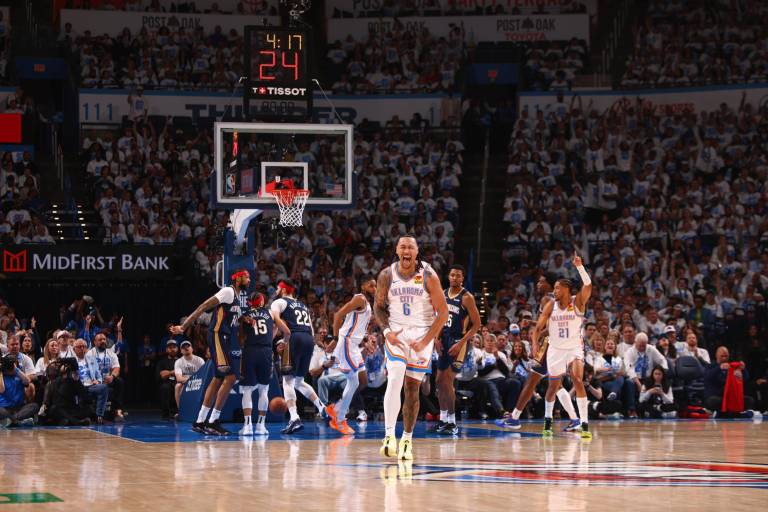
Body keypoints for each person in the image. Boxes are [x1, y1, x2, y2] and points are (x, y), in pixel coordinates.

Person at [375, 234, 449, 460]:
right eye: (403, 247)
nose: (406, 250)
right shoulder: (386, 275)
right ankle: (389, 436)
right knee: (395, 376)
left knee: (411, 389)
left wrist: (426, 341)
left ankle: (407, 439)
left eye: (411, 247)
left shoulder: (429, 276)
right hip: (397, 333)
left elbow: (443, 313)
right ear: (397, 251)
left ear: (417, 252)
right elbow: (378, 307)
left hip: (421, 334)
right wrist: (387, 332)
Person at [171, 269, 250, 435]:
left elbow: (235, 317)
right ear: (237, 278)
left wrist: (245, 319)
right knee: (230, 377)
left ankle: (200, 422)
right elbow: (203, 306)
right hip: (217, 335)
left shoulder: (236, 298)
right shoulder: (228, 291)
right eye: (246, 277)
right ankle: (213, 420)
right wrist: (184, 327)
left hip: (225, 338)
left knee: (217, 379)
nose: (249, 280)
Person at [497, 273, 580, 431]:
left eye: (542, 281)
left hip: (550, 346)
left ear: (550, 285)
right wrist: (534, 324)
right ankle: (574, 418)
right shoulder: (555, 300)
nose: (538, 284)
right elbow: (551, 325)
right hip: (559, 344)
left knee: (531, 381)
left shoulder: (548, 300)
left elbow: (549, 327)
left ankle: (514, 418)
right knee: (557, 384)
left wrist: (537, 340)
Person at [533, 253, 592, 438]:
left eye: (557, 288)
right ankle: (548, 421)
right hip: (555, 349)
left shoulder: (578, 302)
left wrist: (580, 266)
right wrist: (535, 345)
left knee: (577, 378)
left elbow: (588, 285)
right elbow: (537, 327)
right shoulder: (551, 305)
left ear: (566, 289)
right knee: (553, 387)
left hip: (574, 348)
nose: (554, 291)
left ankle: (584, 424)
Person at [270, 279, 326, 434]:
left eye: (277, 288)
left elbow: (275, 318)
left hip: (294, 338)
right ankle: (322, 408)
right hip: (309, 339)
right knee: (299, 381)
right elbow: (311, 330)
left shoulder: (279, 302)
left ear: (282, 289)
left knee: (287, 380)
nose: (276, 291)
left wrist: (285, 339)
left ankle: (294, 418)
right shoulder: (302, 305)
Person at [432, 264, 481, 435]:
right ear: (448, 276)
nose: (455, 278)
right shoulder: (443, 294)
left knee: (447, 382)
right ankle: (443, 419)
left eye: (458, 275)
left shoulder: (467, 297)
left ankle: (452, 422)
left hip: (458, 341)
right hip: (443, 338)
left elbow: (477, 324)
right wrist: (436, 338)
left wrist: (461, 343)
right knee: (439, 381)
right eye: (452, 275)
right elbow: (439, 318)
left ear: (462, 278)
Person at [325, 276, 377, 435]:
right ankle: (339, 419)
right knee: (354, 381)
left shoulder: (368, 305)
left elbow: (360, 328)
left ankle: (336, 408)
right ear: (363, 286)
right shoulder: (359, 299)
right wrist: (335, 338)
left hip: (353, 344)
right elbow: (338, 315)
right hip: (346, 342)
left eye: (376, 286)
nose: (374, 288)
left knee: (362, 381)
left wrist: (366, 340)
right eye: (371, 285)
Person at [237, 292, 289, 436]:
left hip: (250, 351)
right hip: (266, 351)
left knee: (247, 390)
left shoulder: (245, 314)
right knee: (263, 390)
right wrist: (269, 339)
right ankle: (260, 426)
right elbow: (278, 327)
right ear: (262, 301)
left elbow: (240, 336)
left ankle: (247, 427)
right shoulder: (271, 313)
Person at [87, 331, 125, 421]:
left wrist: (112, 376)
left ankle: (118, 411)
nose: (103, 341)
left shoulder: (111, 353)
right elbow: (87, 370)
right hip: (94, 381)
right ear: (95, 342)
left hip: (108, 379)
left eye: (104, 339)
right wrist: (94, 380)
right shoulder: (89, 353)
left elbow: (116, 367)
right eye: (100, 340)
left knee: (119, 381)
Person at [72, 338, 109, 423]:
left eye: (84, 347)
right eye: (79, 347)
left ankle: (99, 416)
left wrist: (98, 381)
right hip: (77, 386)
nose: (82, 349)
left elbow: (98, 375)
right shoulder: (71, 360)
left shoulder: (91, 359)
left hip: (90, 386)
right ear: (74, 349)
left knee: (103, 387)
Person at [0, 354, 38, 427]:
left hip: (18, 408)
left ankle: (12, 420)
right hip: (4, 408)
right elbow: (1, 390)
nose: (10, 368)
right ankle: (18, 421)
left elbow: (27, 381)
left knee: (34, 406)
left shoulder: (19, 374)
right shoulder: (1, 375)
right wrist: (0, 372)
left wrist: (16, 369)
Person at [174, 340, 205, 412]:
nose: (186, 348)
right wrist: (189, 380)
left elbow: (204, 375)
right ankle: (181, 411)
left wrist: (190, 379)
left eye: (188, 346)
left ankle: (202, 411)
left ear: (192, 349)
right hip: (186, 383)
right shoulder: (178, 361)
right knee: (178, 386)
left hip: (198, 382)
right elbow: (178, 379)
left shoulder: (199, 360)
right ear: (181, 351)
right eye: (183, 347)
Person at [156, 340, 180, 419]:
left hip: (179, 382)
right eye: (170, 348)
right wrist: (174, 372)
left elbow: (184, 373)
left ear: (178, 349)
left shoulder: (181, 361)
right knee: (165, 387)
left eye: (174, 347)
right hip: (167, 382)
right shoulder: (161, 362)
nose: (172, 349)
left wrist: (168, 373)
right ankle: (166, 414)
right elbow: (162, 376)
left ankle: (179, 412)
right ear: (166, 350)